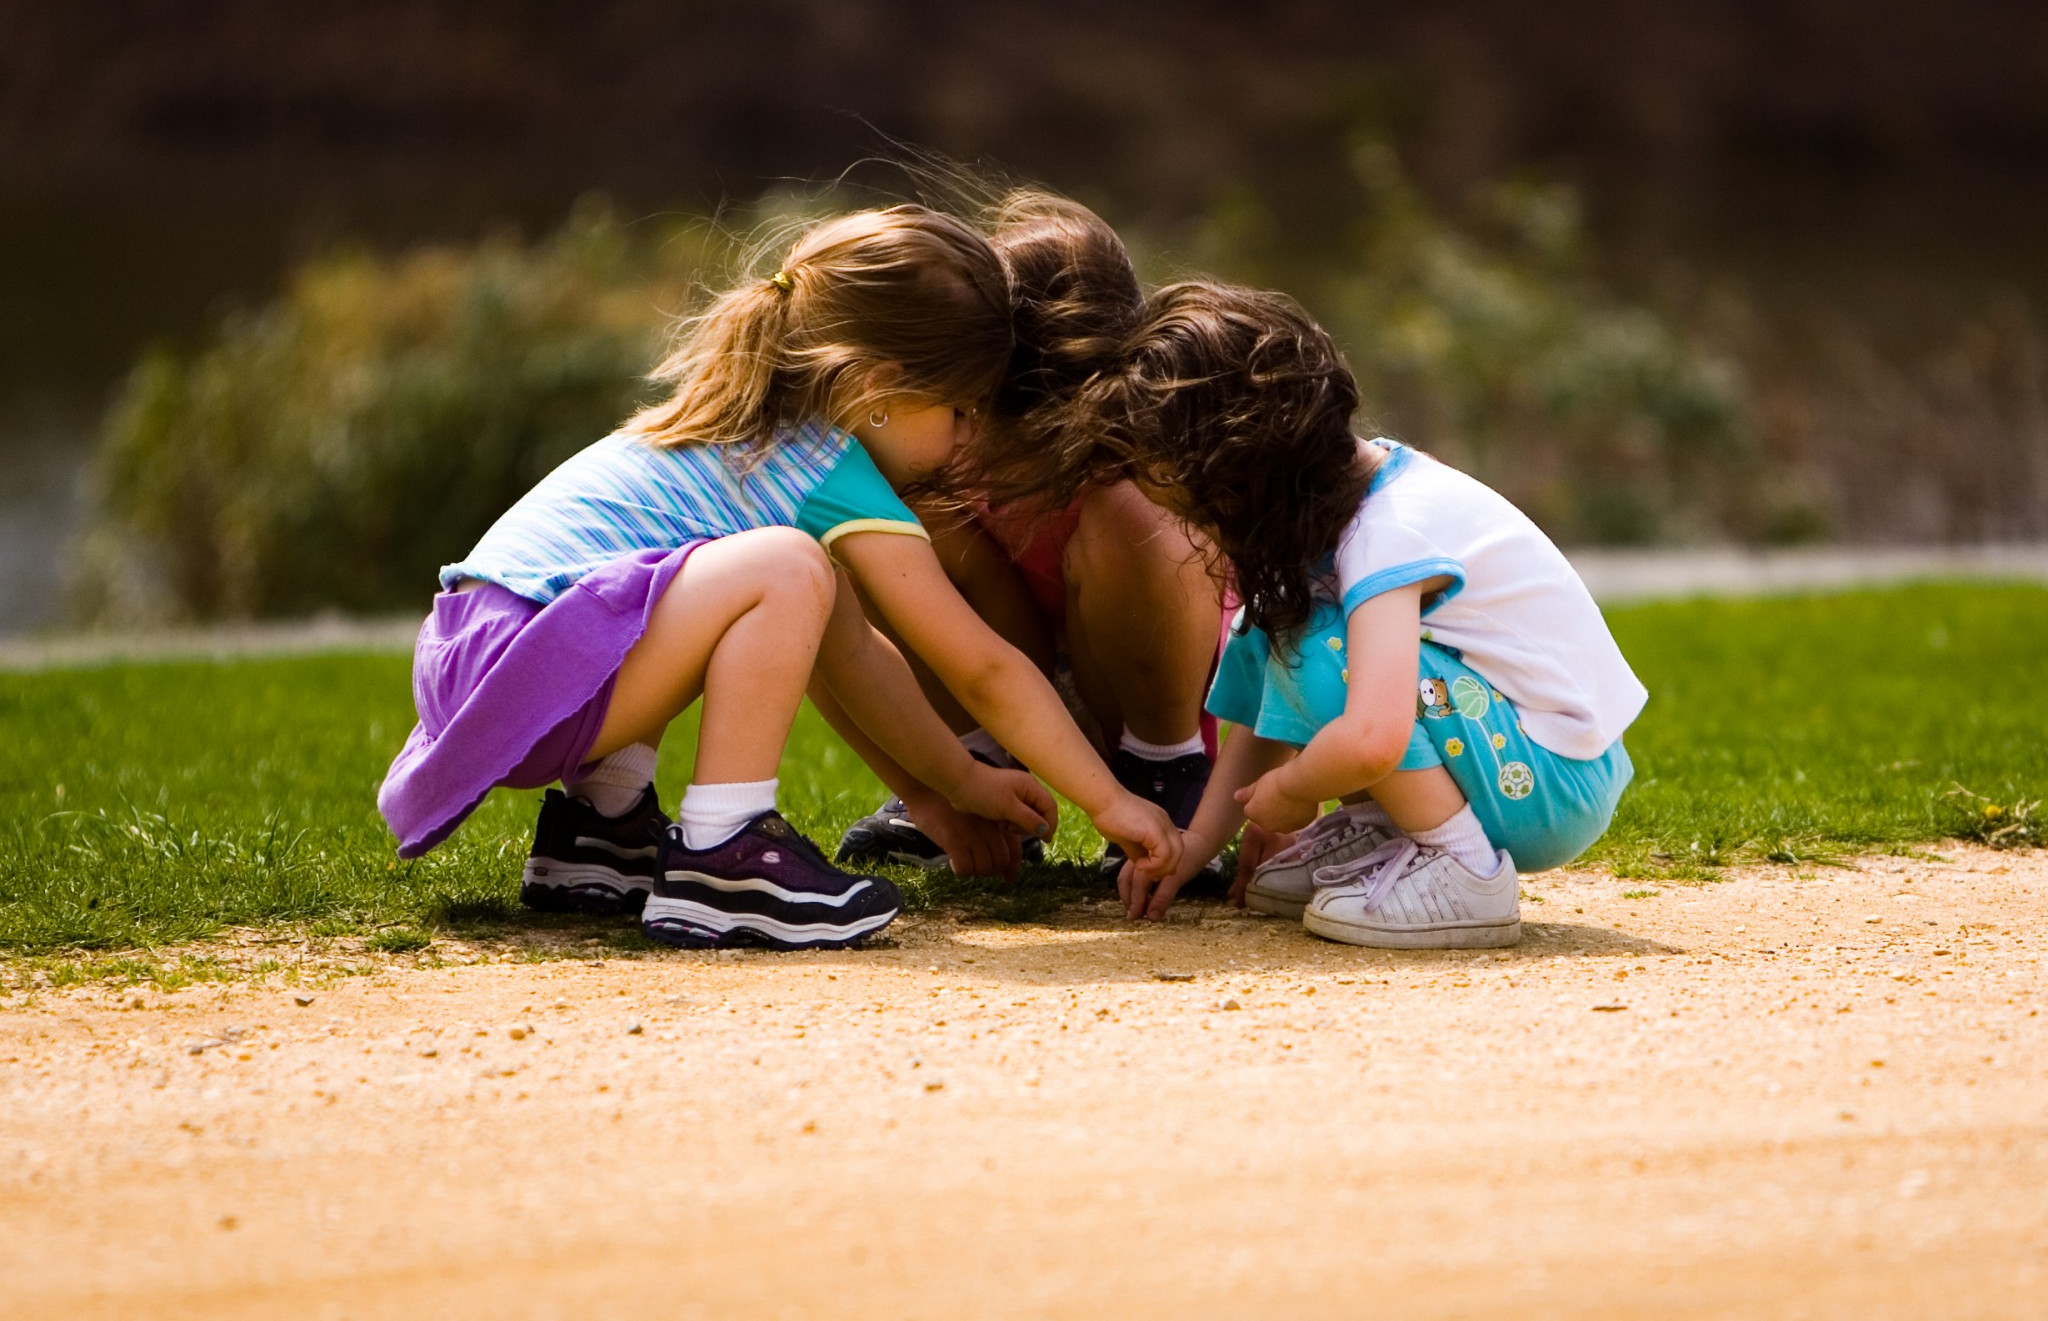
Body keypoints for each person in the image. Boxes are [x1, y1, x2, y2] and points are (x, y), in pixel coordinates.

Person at [377, 205, 1181, 951]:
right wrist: (1109, 802)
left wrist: (951, 787)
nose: (968, 439)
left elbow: (855, 655)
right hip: (525, 668)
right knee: (786, 565)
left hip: (480, 651)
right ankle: (724, 853)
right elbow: (983, 664)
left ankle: (603, 832)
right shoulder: (826, 472)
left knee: (767, 572)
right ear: (876, 390)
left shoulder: (744, 434)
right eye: (960, 410)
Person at [1093, 282, 1643, 948]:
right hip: (1523, 763)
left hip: (1555, 778)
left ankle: (1463, 869)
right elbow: (1272, 699)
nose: (1201, 529)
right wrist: (1196, 842)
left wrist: (1296, 787)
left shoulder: (1385, 533)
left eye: (1201, 505)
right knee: (1295, 626)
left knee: (1330, 648)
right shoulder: (1341, 517)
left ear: (1245, 473)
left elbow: (1375, 734)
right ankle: (1396, 834)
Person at [828, 193, 1225, 878]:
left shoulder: (1147, 450)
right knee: (870, 525)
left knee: (1132, 516)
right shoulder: (944, 446)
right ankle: (978, 767)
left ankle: (1167, 778)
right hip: (1011, 681)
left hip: (1146, 694)